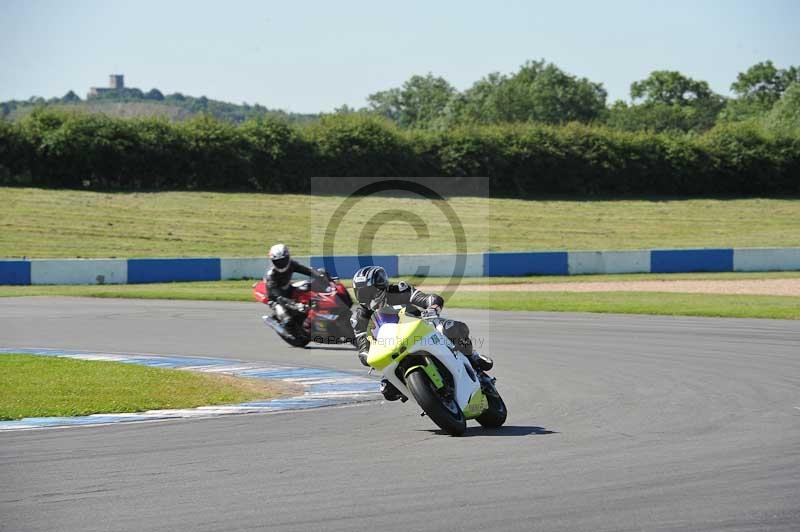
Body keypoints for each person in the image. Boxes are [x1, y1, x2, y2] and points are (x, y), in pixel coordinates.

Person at [350, 265, 493, 401]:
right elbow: (363, 347)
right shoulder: (358, 318)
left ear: (380, 286)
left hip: (422, 329)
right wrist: (367, 356)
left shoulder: (399, 290)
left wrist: (431, 309)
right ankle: (424, 393)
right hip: (393, 350)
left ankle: (472, 356)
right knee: (387, 390)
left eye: (369, 291)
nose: (366, 296)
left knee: (452, 328)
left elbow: (430, 299)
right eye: (361, 293)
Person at [264, 243, 326, 337]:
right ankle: (287, 331)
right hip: (275, 298)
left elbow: (305, 270)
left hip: (288, 288)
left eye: (283, 260)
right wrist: (294, 304)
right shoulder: (271, 275)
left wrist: (319, 275)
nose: (281, 263)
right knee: (287, 319)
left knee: (308, 286)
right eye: (278, 261)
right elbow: (276, 294)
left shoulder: (291, 264)